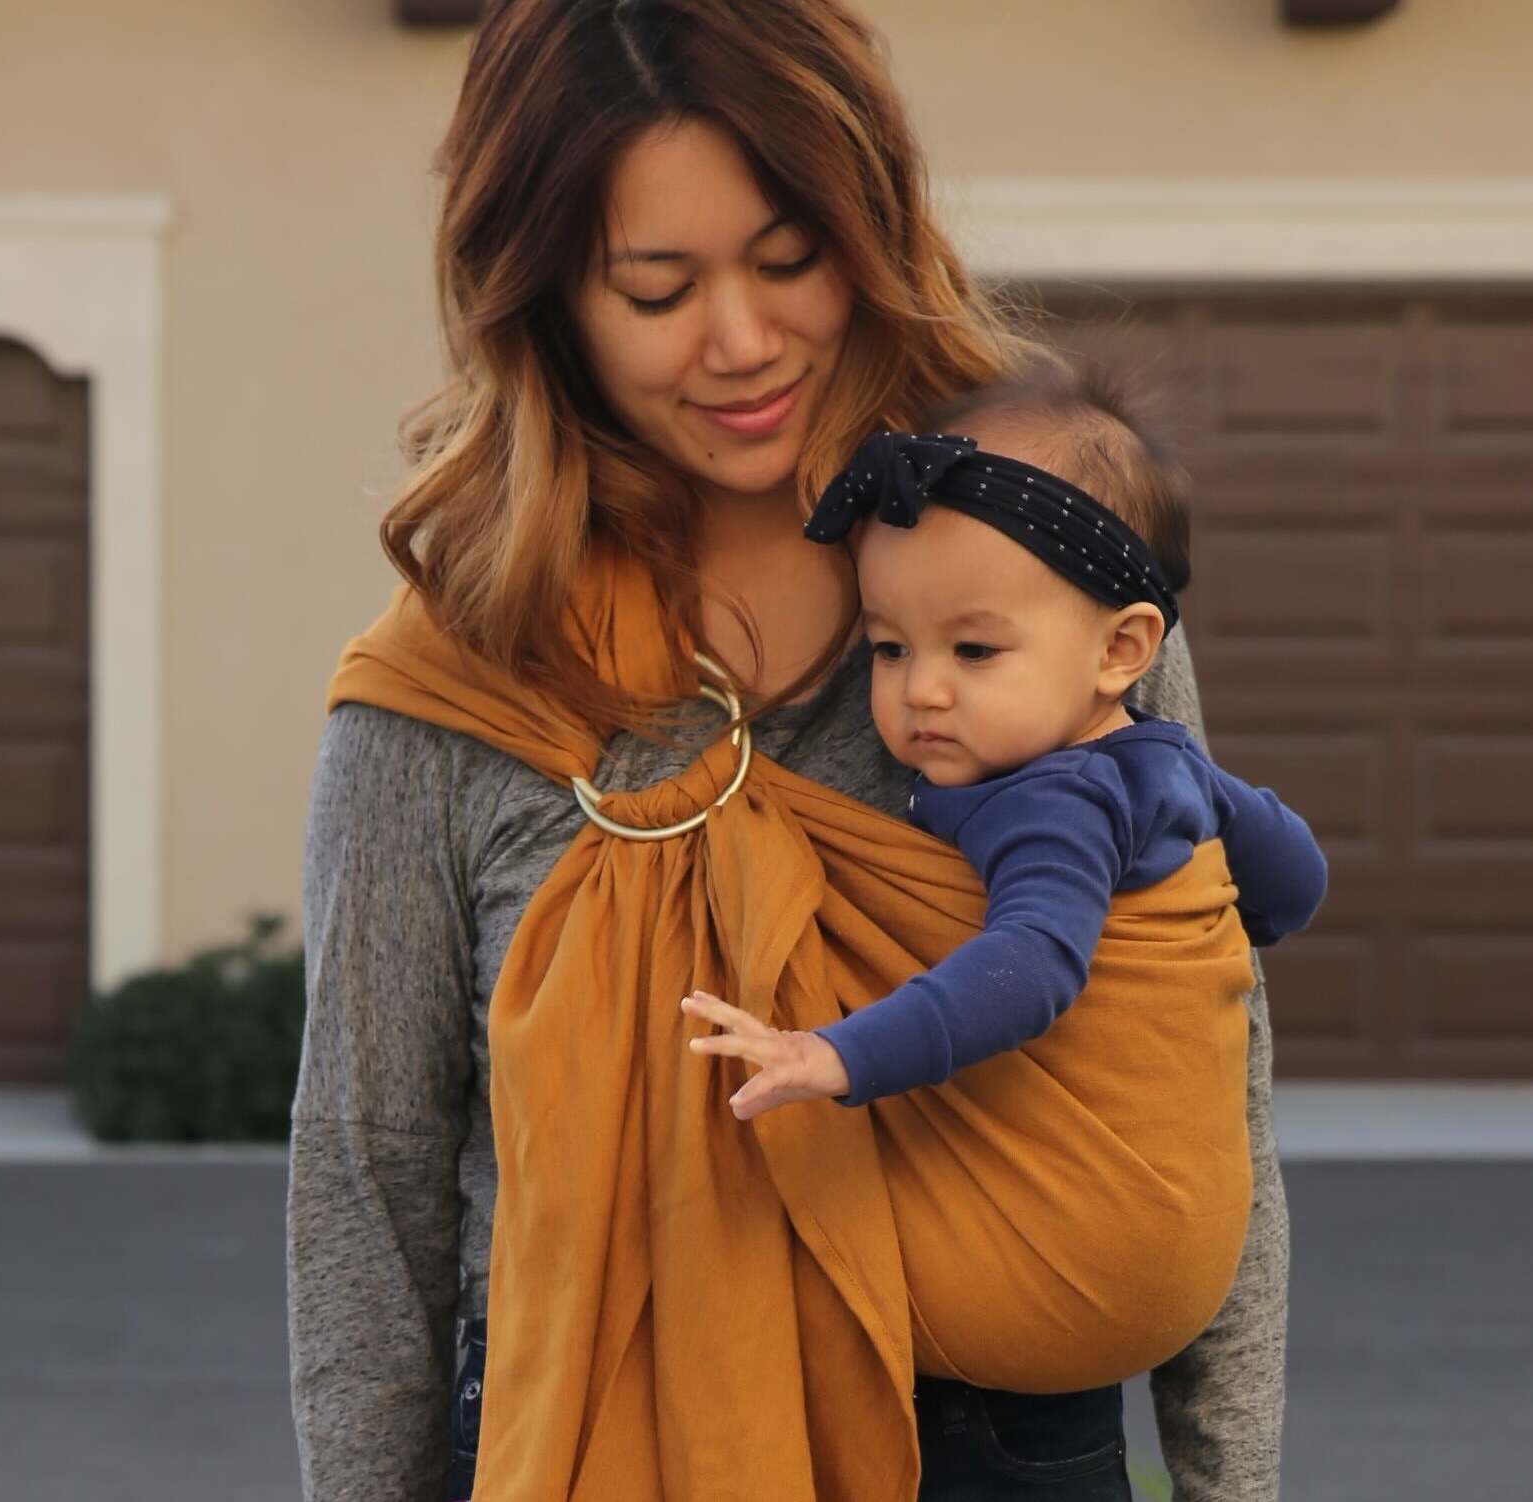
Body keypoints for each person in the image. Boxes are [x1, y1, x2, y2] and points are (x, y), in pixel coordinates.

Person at [289, 4, 1291, 1499]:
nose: (739, 342)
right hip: (592, 1436)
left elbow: (1208, 1062)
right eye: (655, 285)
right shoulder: (447, 691)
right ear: (542, 294)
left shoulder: (1035, 594)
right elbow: (366, 1177)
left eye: (784, 258)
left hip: (996, 1440)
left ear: (869, 230)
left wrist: (1233, 1483)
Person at [683, 370, 1328, 1115]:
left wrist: (836, 1052)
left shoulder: (1054, 803)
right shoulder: (1162, 758)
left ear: (1121, 650)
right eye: (889, 648)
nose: (920, 688)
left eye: (974, 651)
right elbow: (1295, 876)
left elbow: (1028, 968)